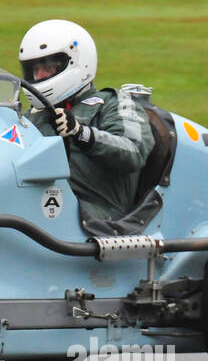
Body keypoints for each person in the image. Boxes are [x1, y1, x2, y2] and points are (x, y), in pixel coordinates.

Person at [18, 20, 154, 226]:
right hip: (35, 205)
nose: (39, 76)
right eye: (34, 70)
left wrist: (82, 134)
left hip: (98, 216)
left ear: (78, 62)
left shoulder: (113, 103)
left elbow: (133, 151)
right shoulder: (31, 116)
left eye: (48, 67)